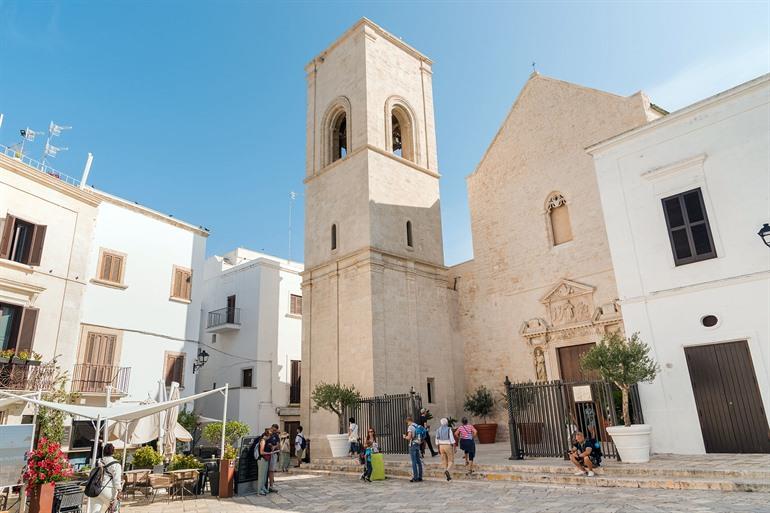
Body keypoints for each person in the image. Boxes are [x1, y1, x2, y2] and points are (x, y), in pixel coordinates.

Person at [92, 443, 122, 513]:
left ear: (104, 451)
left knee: (95, 511)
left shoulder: (98, 461)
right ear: (113, 452)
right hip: (108, 489)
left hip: (96, 489)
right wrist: (119, 491)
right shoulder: (116, 464)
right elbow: (117, 480)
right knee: (114, 511)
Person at [402, 416, 423, 482]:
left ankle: (415, 477)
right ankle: (420, 477)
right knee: (418, 461)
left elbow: (409, 437)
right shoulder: (416, 425)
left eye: (407, 422)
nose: (407, 424)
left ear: (408, 421)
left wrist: (404, 437)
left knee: (414, 461)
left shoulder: (410, 427)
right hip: (417, 444)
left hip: (412, 445)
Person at [257, 428, 272, 496]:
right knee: (261, 475)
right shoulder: (263, 441)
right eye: (269, 436)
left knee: (264, 475)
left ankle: (263, 488)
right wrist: (269, 453)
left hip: (265, 459)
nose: (269, 438)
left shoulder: (264, 441)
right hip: (262, 459)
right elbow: (261, 452)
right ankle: (259, 490)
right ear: (267, 435)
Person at [268, 424, 280, 491]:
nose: (274, 431)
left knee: (271, 470)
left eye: (275, 430)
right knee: (267, 470)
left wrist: (274, 447)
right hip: (266, 454)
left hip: (273, 454)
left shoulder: (276, 435)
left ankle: (271, 485)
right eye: (273, 429)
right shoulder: (268, 434)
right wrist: (270, 445)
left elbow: (278, 444)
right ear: (271, 428)